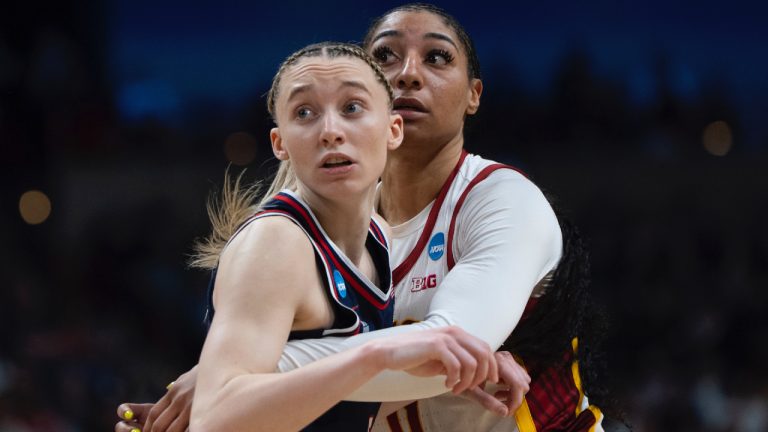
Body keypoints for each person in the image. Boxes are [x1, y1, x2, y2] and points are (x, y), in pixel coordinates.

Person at [117, 3, 609, 432]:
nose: (409, 74)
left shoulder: (501, 199)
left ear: (474, 94)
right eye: (385, 57)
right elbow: (412, 356)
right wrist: (233, 383)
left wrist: (231, 376)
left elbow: (449, 349)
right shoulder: (309, 230)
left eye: (437, 57)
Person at [161, 41, 503, 431]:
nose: (330, 132)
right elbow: (215, 418)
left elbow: (336, 393)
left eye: (352, 108)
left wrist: (450, 372)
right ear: (280, 144)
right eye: (304, 113)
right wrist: (376, 355)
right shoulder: (276, 243)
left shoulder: (380, 237)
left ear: (393, 130)